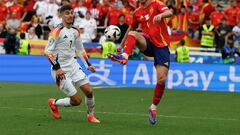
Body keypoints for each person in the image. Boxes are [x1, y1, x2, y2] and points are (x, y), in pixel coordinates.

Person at [107, 0, 172, 125]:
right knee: (133, 33)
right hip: (147, 44)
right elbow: (131, 28)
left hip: (162, 47)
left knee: (162, 80)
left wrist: (161, 15)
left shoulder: (156, 4)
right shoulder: (137, 12)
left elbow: (169, 12)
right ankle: (124, 56)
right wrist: (121, 45)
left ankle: (153, 108)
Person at [44, 5, 100, 123]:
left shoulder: (76, 31)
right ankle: (53, 102)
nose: (70, 15)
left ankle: (91, 116)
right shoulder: (56, 32)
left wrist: (88, 64)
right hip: (60, 70)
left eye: (71, 13)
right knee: (76, 101)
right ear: (61, 15)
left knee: (89, 91)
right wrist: (57, 68)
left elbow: (80, 50)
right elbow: (47, 52)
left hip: (73, 65)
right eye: (67, 13)